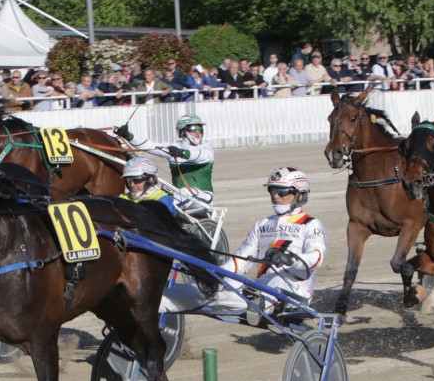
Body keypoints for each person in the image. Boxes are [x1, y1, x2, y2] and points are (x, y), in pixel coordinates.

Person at [159, 166, 326, 313]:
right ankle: (156, 304)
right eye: (271, 190)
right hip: (259, 288)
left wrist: (290, 259)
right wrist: (215, 274)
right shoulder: (262, 225)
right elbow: (240, 262)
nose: (275, 195)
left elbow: (317, 256)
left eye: (281, 191)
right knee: (204, 289)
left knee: (254, 288)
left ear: (300, 194)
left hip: (294, 292)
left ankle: (247, 298)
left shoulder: (311, 224)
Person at [115, 113, 215, 215]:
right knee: (154, 191)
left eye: (200, 129)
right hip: (180, 196)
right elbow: (149, 146)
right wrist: (128, 136)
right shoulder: (174, 148)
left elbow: (199, 156)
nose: (198, 132)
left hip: (204, 198)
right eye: (194, 128)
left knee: (185, 193)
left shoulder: (207, 148)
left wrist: (181, 153)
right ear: (182, 131)